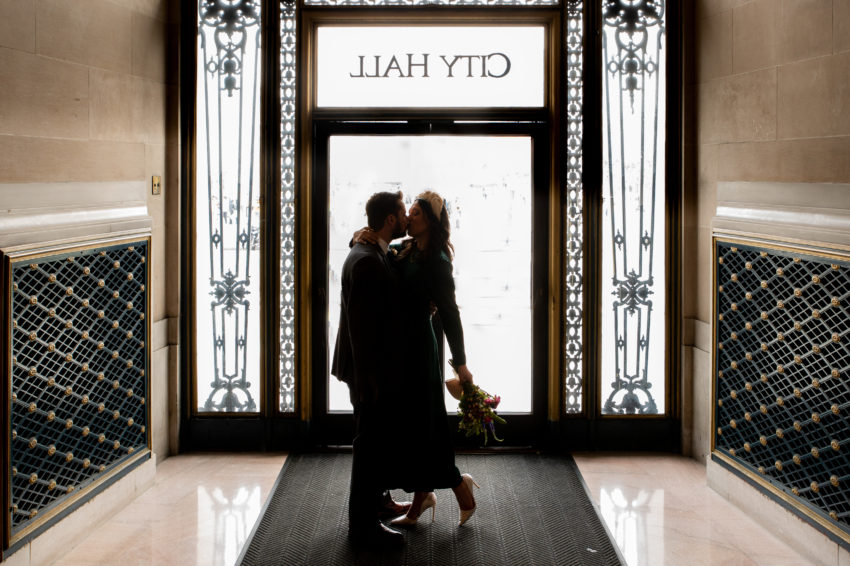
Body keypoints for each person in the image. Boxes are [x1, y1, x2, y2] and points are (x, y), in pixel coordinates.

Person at [355, 190, 479, 528]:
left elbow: (450, 312)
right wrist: (359, 236)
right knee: (414, 425)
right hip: (401, 349)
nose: (409, 218)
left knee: (428, 424)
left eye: (416, 214)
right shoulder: (405, 249)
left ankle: (459, 487)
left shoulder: (437, 260)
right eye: (408, 212)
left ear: (432, 221)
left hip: (421, 350)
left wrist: (461, 361)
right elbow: (382, 254)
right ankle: (421, 501)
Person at [331, 191, 411, 550]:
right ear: (391, 219)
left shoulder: (371, 250)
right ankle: (362, 526)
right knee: (368, 445)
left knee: (374, 441)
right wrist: (367, 382)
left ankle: (378, 501)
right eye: (404, 212)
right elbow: (360, 330)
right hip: (368, 371)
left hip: (369, 369)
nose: (408, 218)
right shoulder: (366, 261)